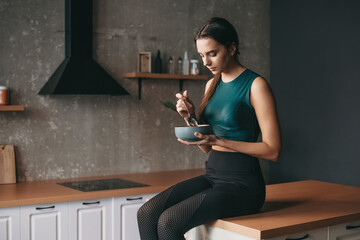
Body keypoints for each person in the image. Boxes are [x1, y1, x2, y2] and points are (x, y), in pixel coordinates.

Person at [137, 17, 281, 240]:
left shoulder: (255, 85)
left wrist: (219, 141)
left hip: (244, 185)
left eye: (212, 53)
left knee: (168, 223)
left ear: (231, 48)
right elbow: (206, 148)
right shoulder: (211, 84)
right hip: (213, 176)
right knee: (146, 213)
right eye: (202, 55)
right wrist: (190, 118)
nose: (206, 62)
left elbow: (273, 150)